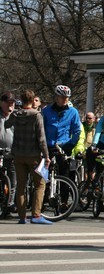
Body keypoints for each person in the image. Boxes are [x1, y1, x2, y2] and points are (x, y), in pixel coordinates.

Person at [5, 90, 51, 224]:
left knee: (20, 186)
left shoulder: (15, 114)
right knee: (39, 184)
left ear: (21, 99)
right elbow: (41, 138)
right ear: (32, 101)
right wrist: (46, 156)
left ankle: (22, 217)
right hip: (34, 155)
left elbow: (7, 125)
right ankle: (36, 215)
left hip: (18, 155)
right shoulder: (37, 115)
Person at [42, 85, 82, 195]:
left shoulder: (73, 112)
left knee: (65, 173)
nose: (65, 100)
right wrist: (42, 145)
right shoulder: (46, 111)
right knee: (45, 174)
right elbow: (41, 129)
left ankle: (64, 201)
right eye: (62, 97)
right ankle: (44, 198)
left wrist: (71, 144)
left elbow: (77, 130)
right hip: (49, 146)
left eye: (67, 97)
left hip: (64, 145)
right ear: (56, 97)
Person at [0, 91, 16, 213]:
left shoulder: (16, 117)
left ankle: (9, 204)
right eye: (8, 103)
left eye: (12, 103)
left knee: (12, 179)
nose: (10, 106)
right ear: (2, 103)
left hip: (12, 152)